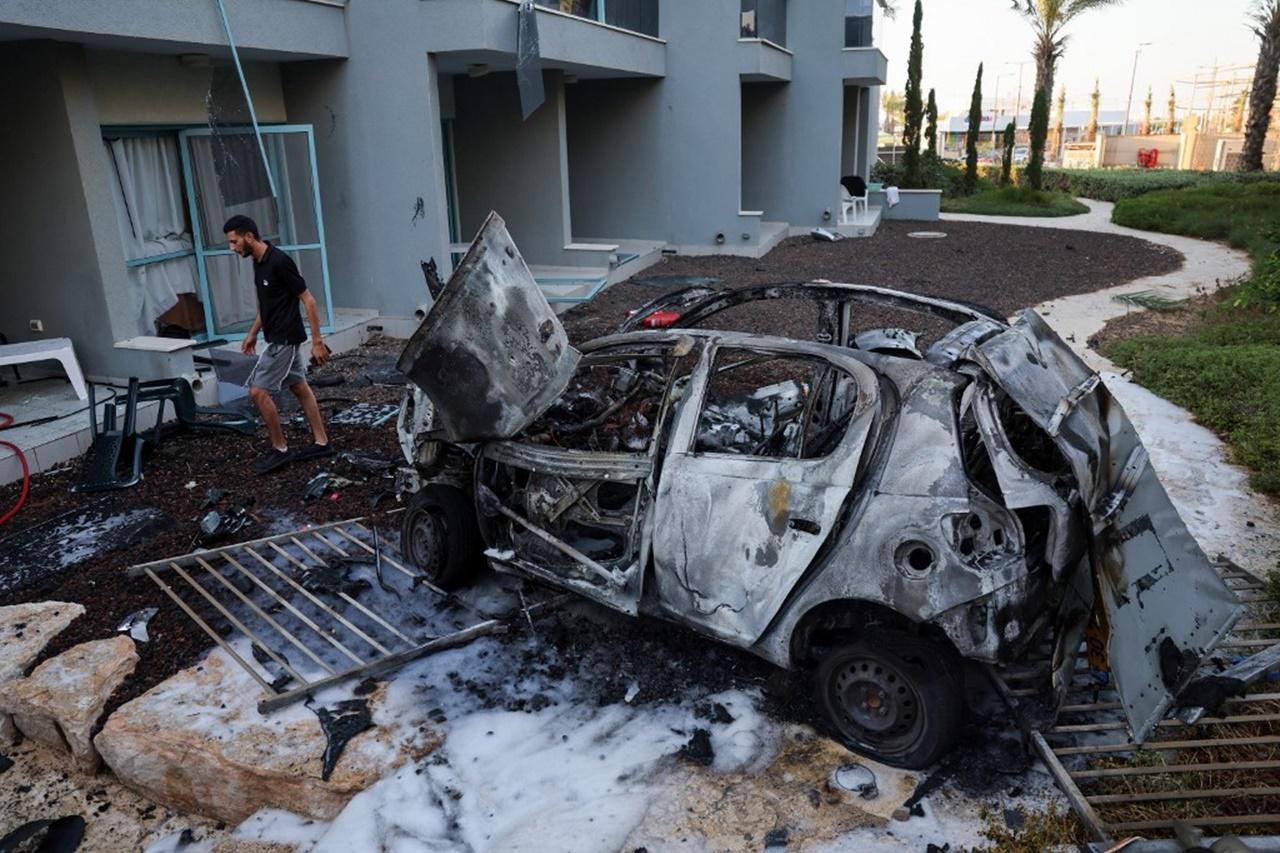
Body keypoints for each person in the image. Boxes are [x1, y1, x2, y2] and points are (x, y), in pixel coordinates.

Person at [223, 214, 333, 474]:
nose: (232, 247)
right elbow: (267, 305)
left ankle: (280, 449)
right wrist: (252, 333)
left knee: (258, 393)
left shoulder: (280, 261)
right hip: (276, 336)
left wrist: (318, 341)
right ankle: (322, 442)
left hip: (285, 338)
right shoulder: (258, 263)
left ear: (249, 236)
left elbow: (309, 300)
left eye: (234, 241)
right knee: (299, 387)